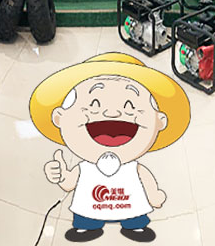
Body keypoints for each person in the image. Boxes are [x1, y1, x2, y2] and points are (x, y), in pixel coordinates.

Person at [29, 53, 191, 243]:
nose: (112, 113)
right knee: (86, 215)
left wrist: (153, 194)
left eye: (129, 105)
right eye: (94, 103)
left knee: (135, 215)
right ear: (60, 117)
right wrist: (61, 175)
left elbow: (144, 176)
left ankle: (134, 224)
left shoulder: (132, 167)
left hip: (130, 205)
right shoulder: (85, 167)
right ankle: (87, 225)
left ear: (159, 120)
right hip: (90, 207)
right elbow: (69, 182)